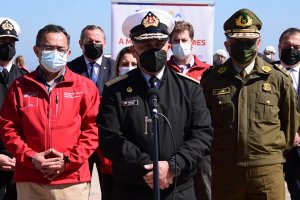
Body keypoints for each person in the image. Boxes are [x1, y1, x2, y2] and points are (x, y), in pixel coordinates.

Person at [97, 9, 213, 200]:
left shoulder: (190, 88)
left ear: (168, 46)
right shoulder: (115, 90)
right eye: (145, 44)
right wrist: (148, 169)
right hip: (131, 190)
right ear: (134, 49)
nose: (154, 50)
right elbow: (110, 138)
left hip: (179, 190)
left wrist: (173, 167)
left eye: (159, 44)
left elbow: (202, 135)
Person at [201, 9, 300, 200]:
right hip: (225, 171)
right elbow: (205, 124)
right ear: (227, 44)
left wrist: (270, 152)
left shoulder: (278, 78)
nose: (244, 47)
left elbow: (290, 124)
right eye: (238, 42)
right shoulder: (212, 80)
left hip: (267, 171)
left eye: (249, 42)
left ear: (258, 43)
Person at [0, 24, 99, 200]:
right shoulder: (19, 87)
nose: (55, 53)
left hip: (71, 181)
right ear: (36, 51)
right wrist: (31, 158)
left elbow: (93, 130)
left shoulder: (85, 87)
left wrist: (68, 161)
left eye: (60, 49)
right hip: (30, 180)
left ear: (68, 53)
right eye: (48, 48)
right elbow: (8, 129)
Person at [67, 24, 115, 200]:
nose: (94, 44)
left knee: (111, 190)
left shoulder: (116, 68)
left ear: (105, 43)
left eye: (97, 41)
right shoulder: (69, 69)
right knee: (77, 190)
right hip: (79, 140)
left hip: (108, 139)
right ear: (81, 43)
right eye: (89, 41)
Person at [167, 20, 211, 200]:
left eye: (184, 40)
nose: (180, 45)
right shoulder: (164, 71)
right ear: (169, 44)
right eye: (176, 41)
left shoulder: (208, 72)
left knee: (205, 190)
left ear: (193, 41)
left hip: (199, 145)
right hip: (172, 143)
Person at [0, 17, 28, 200]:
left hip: (20, 163)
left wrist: (23, 156)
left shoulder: (26, 79)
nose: (7, 46)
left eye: (11, 42)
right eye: (2, 41)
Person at [277, 28, 300, 200]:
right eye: (287, 45)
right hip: (273, 146)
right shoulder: (267, 72)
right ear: (279, 47)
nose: (291, 50)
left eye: (297, 47)